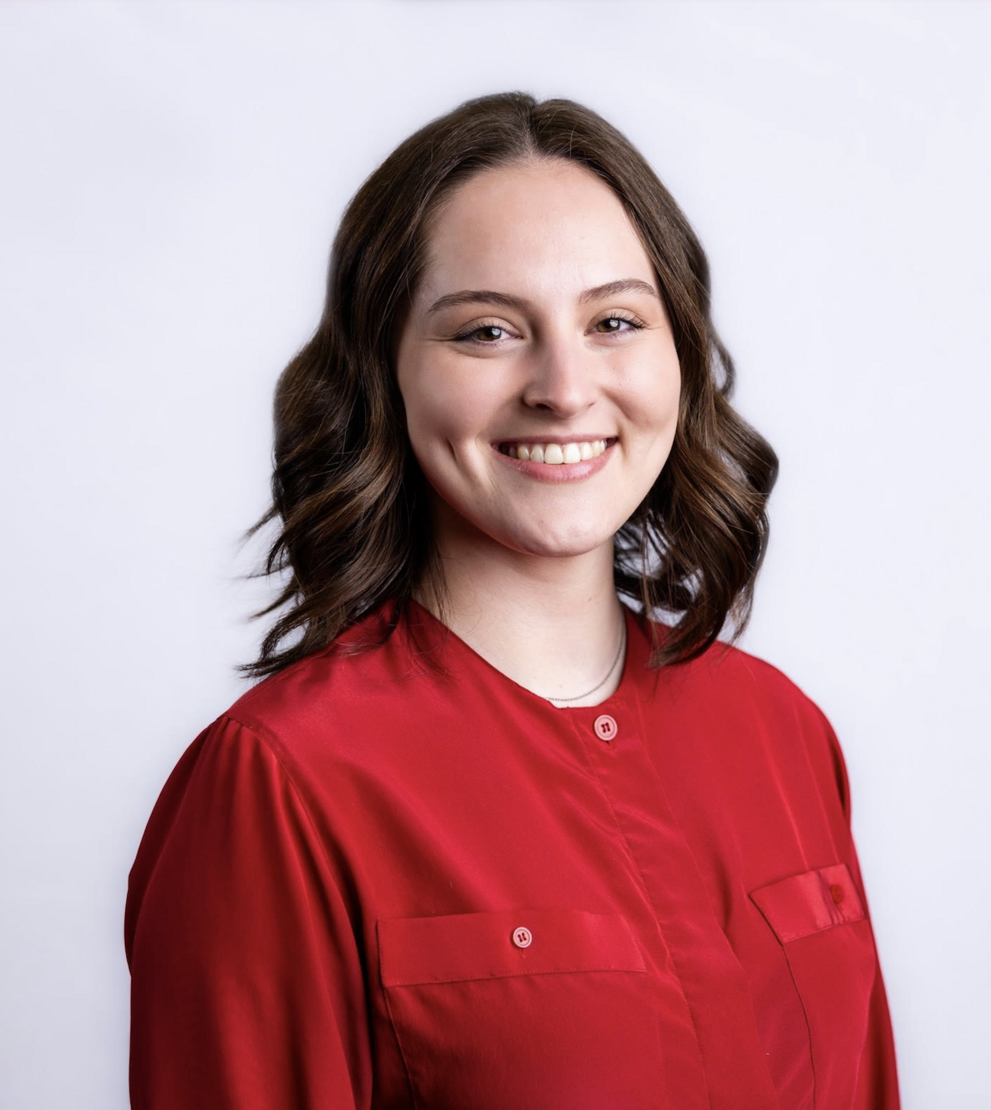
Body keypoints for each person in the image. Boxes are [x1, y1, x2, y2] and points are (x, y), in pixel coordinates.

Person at [124, 91, 900, 1109]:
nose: (564, 386)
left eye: (614, 321)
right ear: (382, 374)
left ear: (679, 358)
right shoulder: (283, 784)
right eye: (487, 331)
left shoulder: (781, 733)